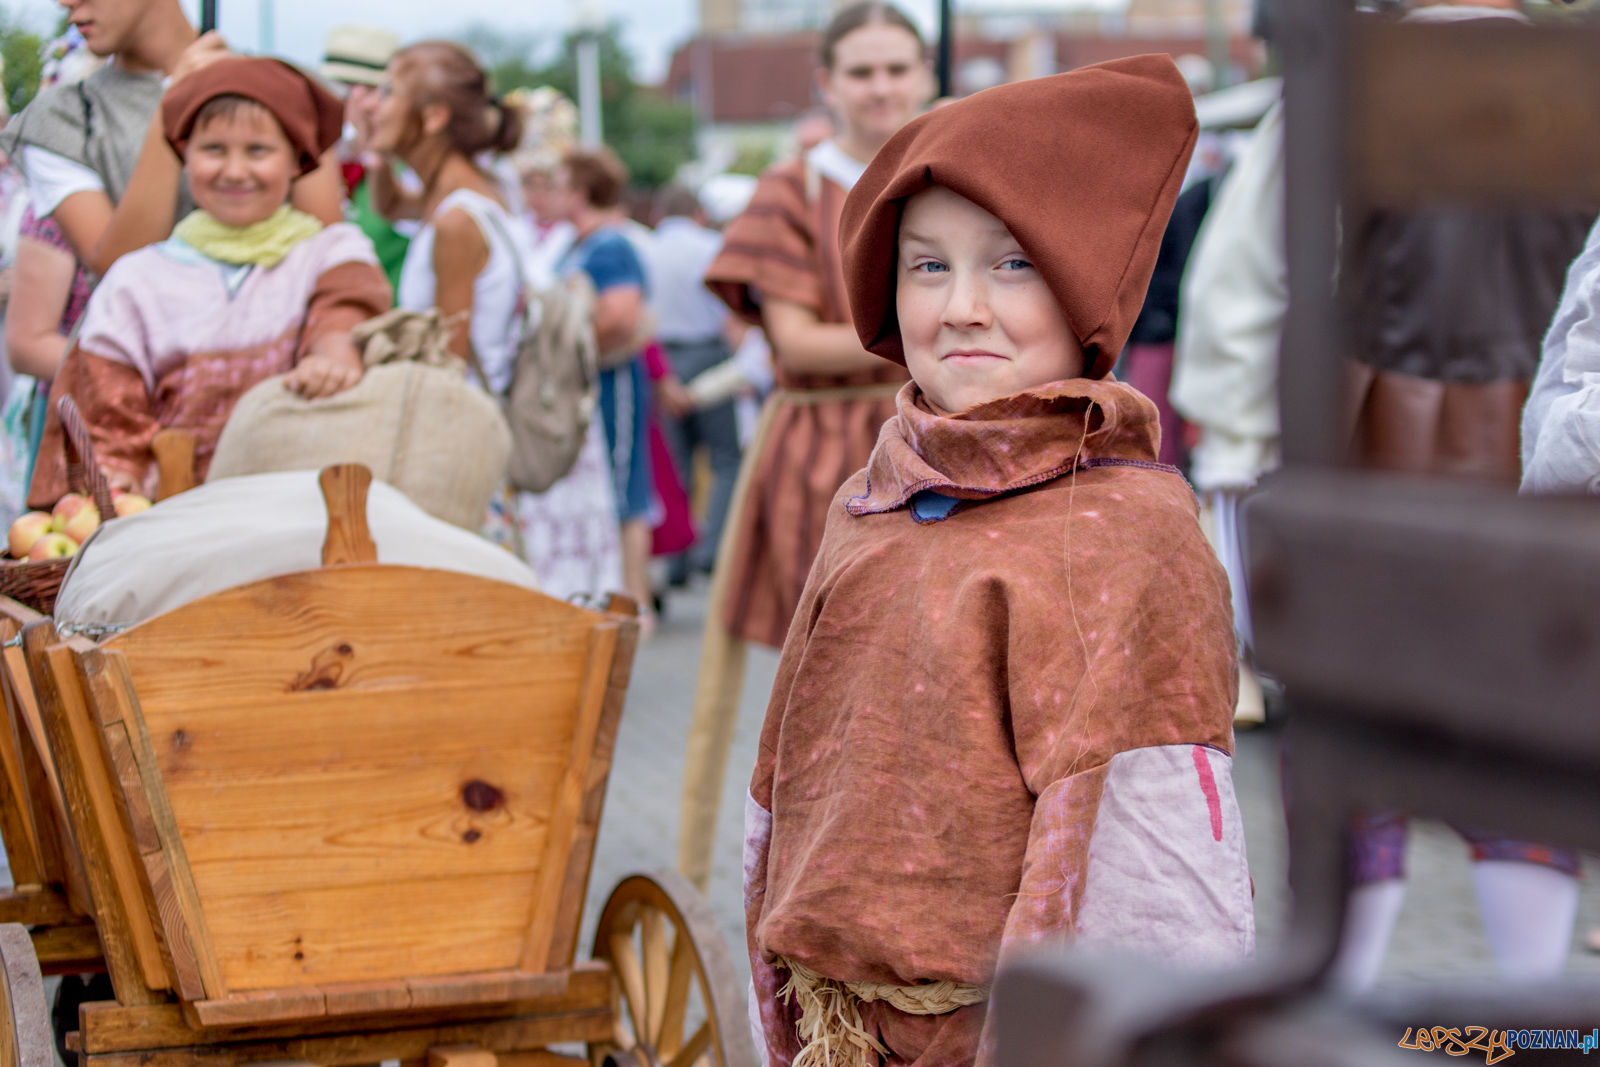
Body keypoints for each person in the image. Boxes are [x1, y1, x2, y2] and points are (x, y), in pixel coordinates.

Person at [745, 60, 1251, 1067]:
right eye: (928, 266)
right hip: (841, 1025)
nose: (963, 306)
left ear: (1085, 280)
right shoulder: (872, 498)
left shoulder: (1123, 532)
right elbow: (785, 774)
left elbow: (1147, 860)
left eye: (1013, 263)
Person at [680, 0, 931, 888]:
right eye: (861, 71)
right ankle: (821, 879)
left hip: (944, 441)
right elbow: (794, 343)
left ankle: (919, 869)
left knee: (937, 677)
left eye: (897, 68)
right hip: (830, 449)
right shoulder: (792, 187)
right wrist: (945, 338)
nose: (881, 87)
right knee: (836, 679)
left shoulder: (949, 170)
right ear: (826, 83)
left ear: (926, 73)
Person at [27, 57, 391, 505]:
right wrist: (118, 483)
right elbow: (107, 405)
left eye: (258, 150)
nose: (234, 171)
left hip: (302, 512)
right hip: (170, 519)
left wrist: (332, 353)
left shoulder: (329, 253)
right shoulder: (137, 280)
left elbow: (348, 306)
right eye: (214, 149)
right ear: (184, 155)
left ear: (297, 160)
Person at [361, 41, 623, 605]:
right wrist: (378, 152)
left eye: (386, 93)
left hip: (465, 455)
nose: (371, 104)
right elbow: (391, 207)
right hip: (486, 442)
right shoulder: (472, 194)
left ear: (432, 117)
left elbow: (447, 364)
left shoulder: (457, 220)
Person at [0, 0, 343, 279]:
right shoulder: (59, 117)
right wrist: (176, 100)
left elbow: (324, 254)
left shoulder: (288, 89)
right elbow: (120, 269)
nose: (65, 3)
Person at [553, 147, 657, 621]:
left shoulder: (609, 245)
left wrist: (566, 350)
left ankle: (636, 602)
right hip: (593, 379)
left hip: (612, 380)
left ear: (578, 191)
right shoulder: (579, 243)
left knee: (623, 487)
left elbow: (622, 315)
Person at [649, 184, 742, 584]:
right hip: (707, 353)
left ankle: (676, 561)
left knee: (676, 459)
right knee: (724, 457)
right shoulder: (711, 246)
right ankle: (712, 550)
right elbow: (727, 312)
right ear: (699, 213)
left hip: (663, 357)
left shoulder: (646, 248)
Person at [321, 24, 409, 294]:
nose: (358, 103)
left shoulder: (410, 168)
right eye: (342, 87)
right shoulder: (314, 164)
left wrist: (373, 151)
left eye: (372, 89)